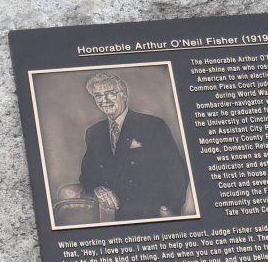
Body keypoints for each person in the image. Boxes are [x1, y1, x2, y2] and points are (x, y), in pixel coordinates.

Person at [78, 73, 187, 221]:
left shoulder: (153, 125)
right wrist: (98, 189)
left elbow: (176, 171)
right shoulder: (94, 132)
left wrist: (168, 207)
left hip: (150, 210)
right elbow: (87, 174)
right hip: (111, 213)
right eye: (98, 96)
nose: (104, 101)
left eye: (110, 94)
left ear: (124, 95)